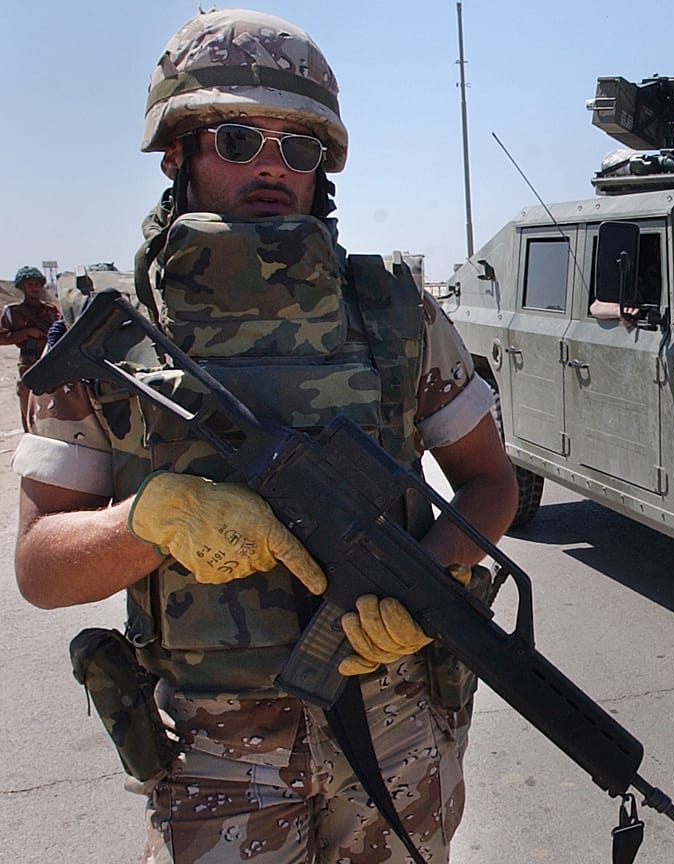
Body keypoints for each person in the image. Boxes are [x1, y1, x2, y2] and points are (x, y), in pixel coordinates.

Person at [9, 9, 518, 862]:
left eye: (302, 147)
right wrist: (148, 521)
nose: (273, 167)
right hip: (216, 755)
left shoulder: (394, 314)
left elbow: (489, 484)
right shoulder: (117, 341)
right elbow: (38, 567)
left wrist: (430, 576)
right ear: (176, 151)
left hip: (395, 728)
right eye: (238, 138)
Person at [0, 265, 60, 432]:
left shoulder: (50, 311)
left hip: (50, 362)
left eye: (37, 284)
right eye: (30, 284)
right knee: (27, 405)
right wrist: (26, 333)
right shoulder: (14, 312)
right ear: (22, 287)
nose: (35, 288)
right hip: (28, 363)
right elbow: (2, 337)